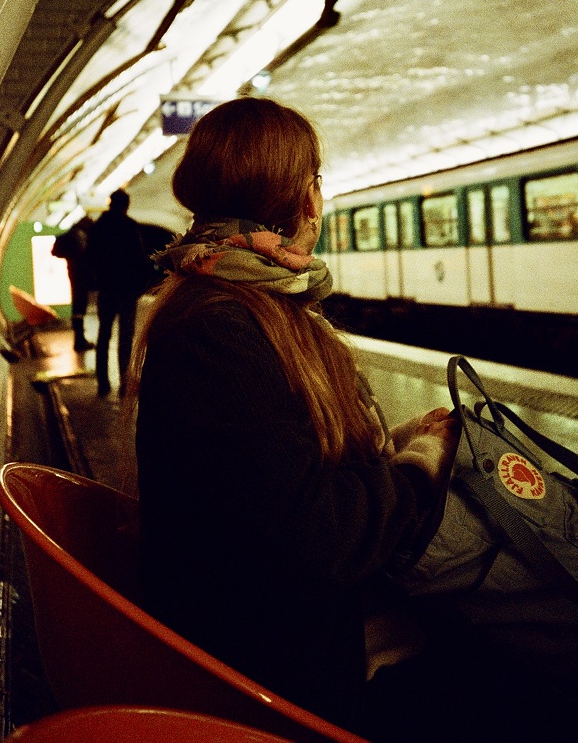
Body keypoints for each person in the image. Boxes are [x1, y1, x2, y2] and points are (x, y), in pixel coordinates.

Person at [130, 98, 460, 734]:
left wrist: (395, 441)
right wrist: (421, 467)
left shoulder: (234, 305)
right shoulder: (221, 329)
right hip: (284, 662)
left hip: (276, 631)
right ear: (305, 200)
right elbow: (322, 534)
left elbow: (276, 473)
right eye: (316, 181)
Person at [88, 188, 151, 398]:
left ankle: (103, 383)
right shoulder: (130, 227)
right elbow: (140, 260)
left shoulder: (99, 227)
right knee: (126, 338)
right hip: (126, 291)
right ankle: (125, 383)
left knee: (103, 335)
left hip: (107, 289)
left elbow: (90, 257)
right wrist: (140, 286)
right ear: (125, 205)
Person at [51, 214, 94, 351]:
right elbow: (84, 256)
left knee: (78, 306)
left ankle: (79, 338)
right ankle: (79, 340)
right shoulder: (79, 235)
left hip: (72, 272)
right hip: (80, 275)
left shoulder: (71, 233)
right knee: (80, 306)